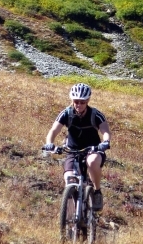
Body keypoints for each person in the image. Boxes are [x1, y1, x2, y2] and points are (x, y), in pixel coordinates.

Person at [44, 83, 111, 212]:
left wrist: (105, 142)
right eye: (76, 102)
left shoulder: (95, 114)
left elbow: (105, 130)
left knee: (91, 162)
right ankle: (70, 220)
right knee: (69, 180)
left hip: (93, 150)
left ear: (87, 101)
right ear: (72, 100)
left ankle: (97, 192)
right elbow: (53, 130)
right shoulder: (66, 113)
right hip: (72, 151)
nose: (79, 105)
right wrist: (49, 143)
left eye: (82, 102)